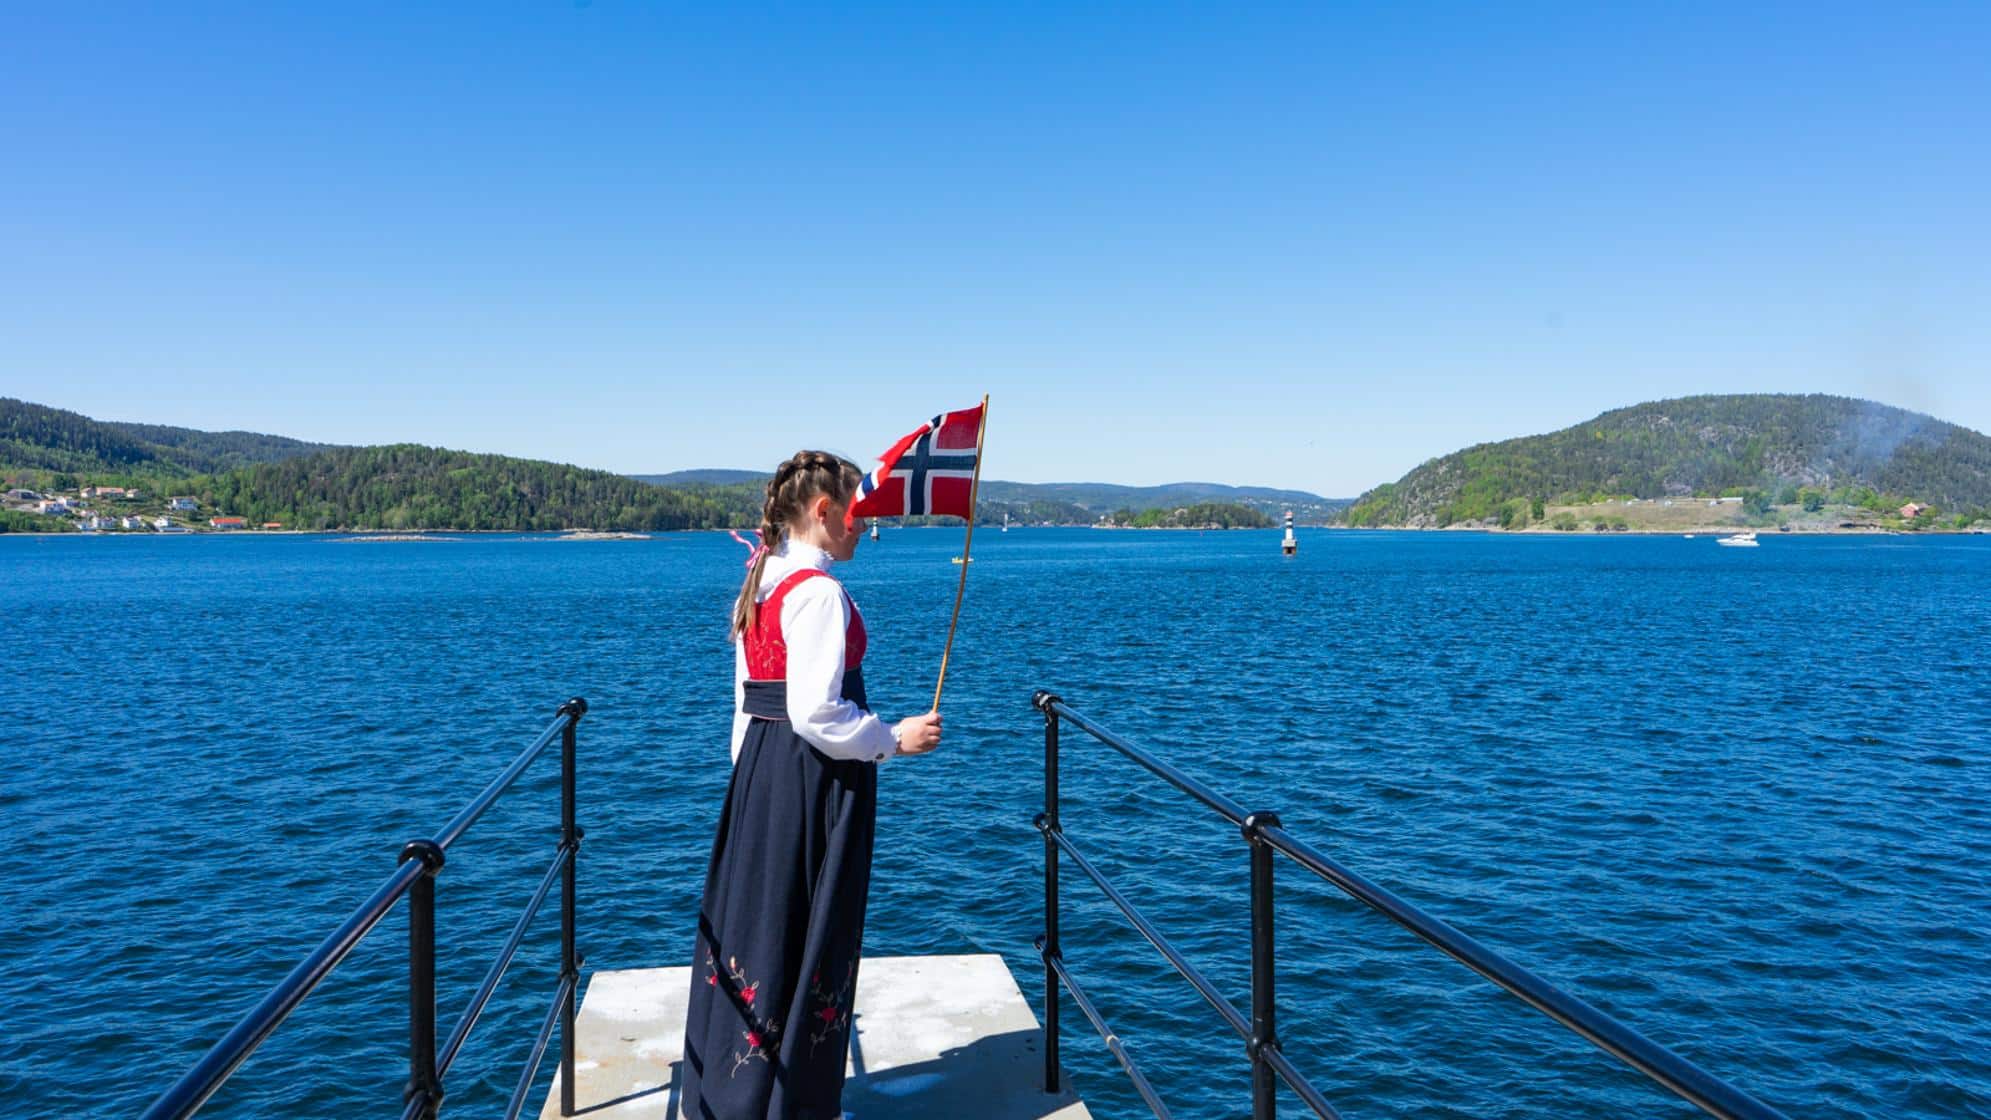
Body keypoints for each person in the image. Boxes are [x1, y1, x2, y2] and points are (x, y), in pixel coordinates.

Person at [680, 449, 943, 1120]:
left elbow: (749, 702)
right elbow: (816, 713)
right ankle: (792, 1104)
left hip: (763, 776)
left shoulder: (762, 582)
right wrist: (893, 739)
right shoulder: (819, 592)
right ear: (823, 511)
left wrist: (746, 786)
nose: (866, 529)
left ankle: (738, 1092)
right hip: (812, 776)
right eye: (859, 515)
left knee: (763, 924)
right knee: (812, 925)